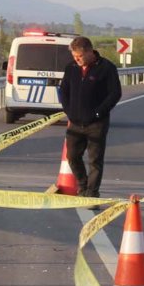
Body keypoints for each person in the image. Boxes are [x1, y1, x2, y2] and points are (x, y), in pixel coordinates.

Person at [57, 36, 121, 198]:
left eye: (79, 56)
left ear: (89, 51)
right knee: (72, 156)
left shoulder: (107, 68)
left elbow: (115, 94)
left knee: (95, 161)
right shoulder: (71, 67)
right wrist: (68, 110)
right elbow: (63, 91)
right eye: (74, 56)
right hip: (75, 123)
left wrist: (99, 112)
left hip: (97, 124)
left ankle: (92, 193)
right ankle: (82, 185)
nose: (76, 59)